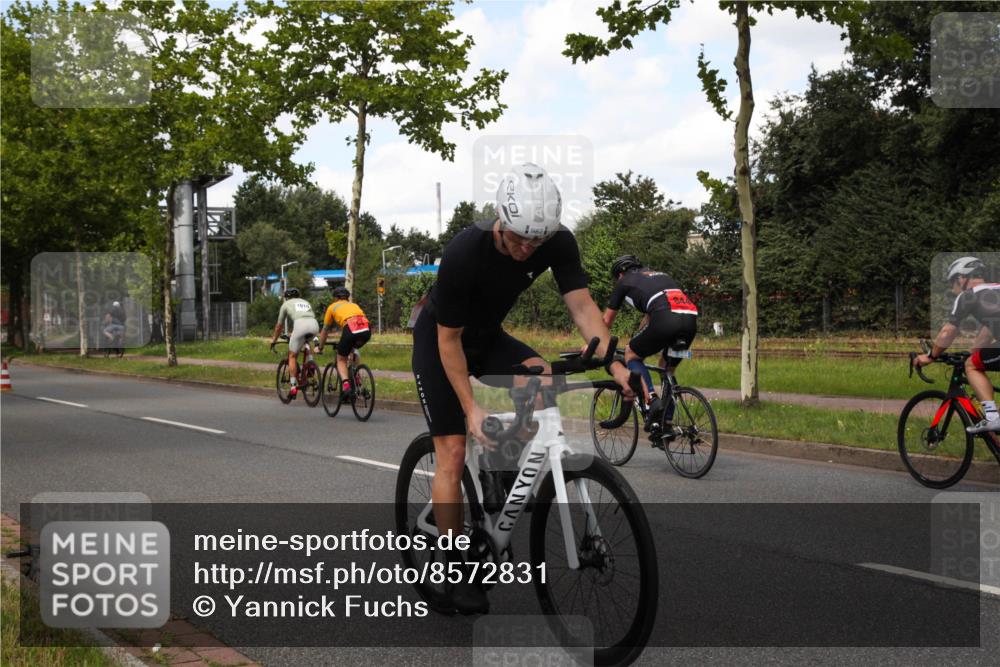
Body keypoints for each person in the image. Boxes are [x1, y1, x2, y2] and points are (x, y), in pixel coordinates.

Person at [411, 163, 635, 615]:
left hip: (489, 337)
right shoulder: (465, 251)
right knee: (453, 450)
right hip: (442, 341)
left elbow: (582, 306)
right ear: (501, 220)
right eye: (518, 239)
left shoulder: (557, 242)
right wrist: (472, 408)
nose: (527, 249)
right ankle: (458, 569)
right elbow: (449, 341)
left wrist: (615, 361)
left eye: (537, 241)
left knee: (541, 377)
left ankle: (501, 470)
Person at [601, 256, 699, 436]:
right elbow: (649, 318)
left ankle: (651, 400)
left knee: (631, 355)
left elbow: (606, 321)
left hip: (665, 319)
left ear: (620, 274)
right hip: (690, 319)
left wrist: (592, 343)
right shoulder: (659, 276)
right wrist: (636, 337)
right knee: (666, 369)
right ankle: (666, 422)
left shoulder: (624, 282)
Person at [913, 256, 1000, 434]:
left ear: (962, 278)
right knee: (975, 359)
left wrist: (930, 356)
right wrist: (973, 351)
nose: (953, 288)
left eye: (953, 282)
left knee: (972, 366)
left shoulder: (968, 296)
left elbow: (948, 332)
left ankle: (993, 417)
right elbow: (989, 330)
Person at [316, 286, 371, 399]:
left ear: (335, 298)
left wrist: (320, 347)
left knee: (341, 359)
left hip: (350, 328)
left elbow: (325, 330)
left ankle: (346, 386)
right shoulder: (354, 305)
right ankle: (357, 379)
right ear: (347, 298)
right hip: (366, 329)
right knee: (352, 350)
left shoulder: (332, 307)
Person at [269, 287, 319, 399]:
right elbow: (306, 318)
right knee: (307, 341)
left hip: (300, 325)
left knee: (292, 356)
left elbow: (279, 326)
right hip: (314, 325)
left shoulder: (286, 304)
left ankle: (293, 387)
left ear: (287, 297)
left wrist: (274, 340)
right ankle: (310, 363)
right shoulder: (306, 302)